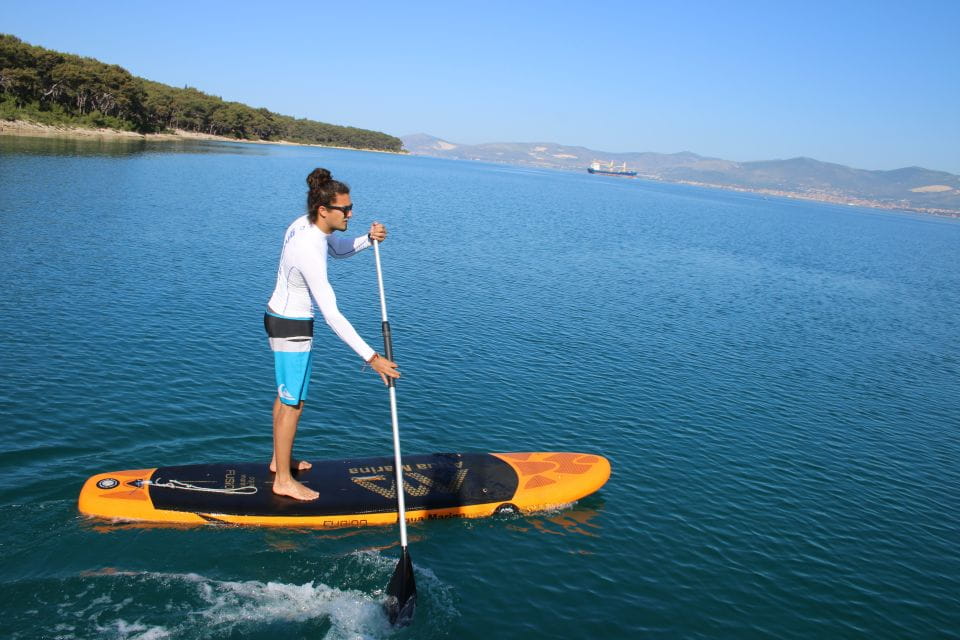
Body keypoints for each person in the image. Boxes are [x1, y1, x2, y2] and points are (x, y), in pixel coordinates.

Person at [264, 167, 400, 500]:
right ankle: (283, 479)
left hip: (281, 318)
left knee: (287, 396)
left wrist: (368, 241)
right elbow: (332, 314)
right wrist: (372, 358)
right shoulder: (309, 247)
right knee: (292, 404)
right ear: (324, 209)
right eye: (345, 209)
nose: (351, 213)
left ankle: (277, 462)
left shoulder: (306, 223)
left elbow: (338, 249)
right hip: (291, 325)